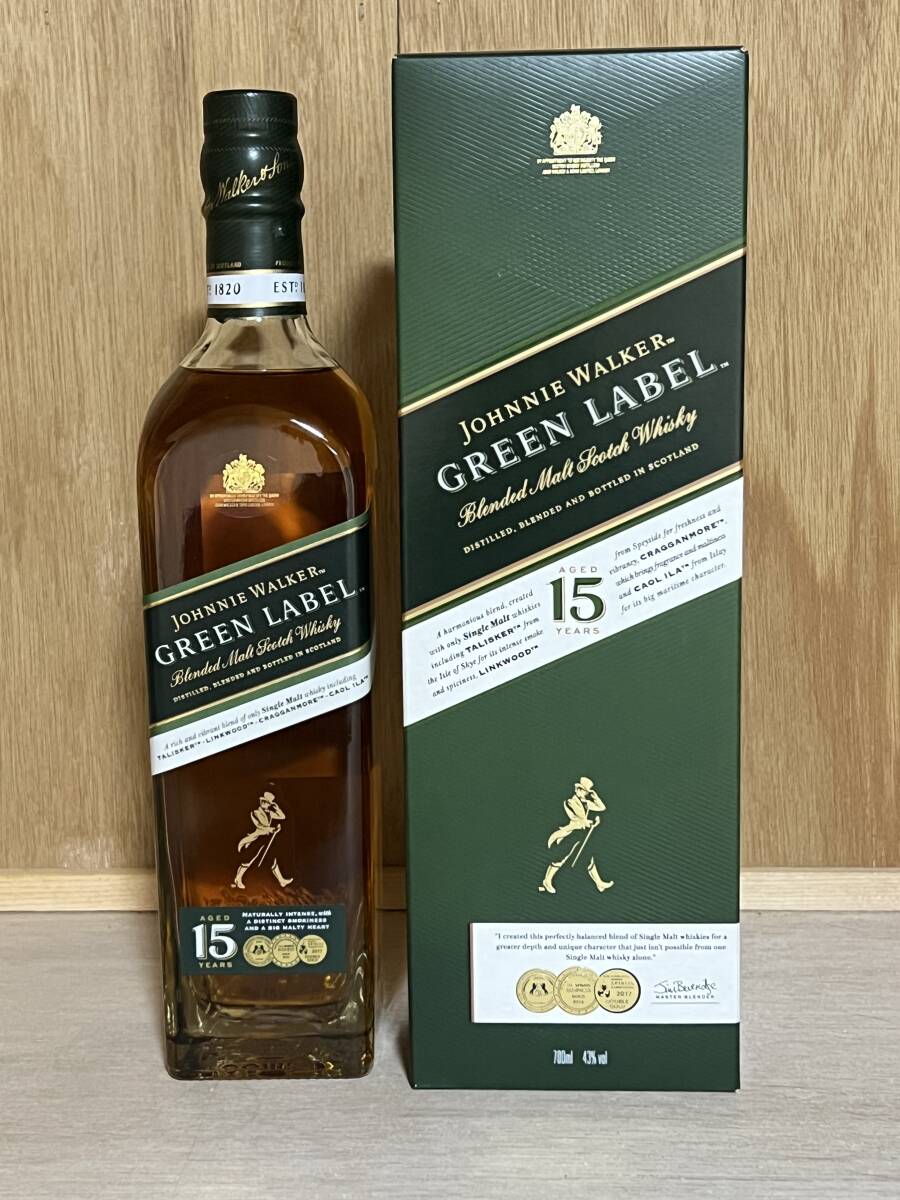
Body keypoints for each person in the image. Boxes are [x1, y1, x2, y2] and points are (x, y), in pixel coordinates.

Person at [539, 776, 614, 895]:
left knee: (589, 857)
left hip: (582, 834)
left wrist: (594, 795)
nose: (584, 794)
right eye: (583, 791)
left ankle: (599, 883)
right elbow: (581, 819)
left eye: (586, 792)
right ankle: (547, 881)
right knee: (561, 856)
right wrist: (591, 822)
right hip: (572, 833)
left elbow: (602, 807)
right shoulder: (571, 801)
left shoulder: (586, 803)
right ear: (578, 789)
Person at [231, 790, 293, 890]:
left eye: (267, 802)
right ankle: (238, 879)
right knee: (249, 859)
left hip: (266, 839)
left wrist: (277, 809)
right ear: (260, 801)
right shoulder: (256, 812)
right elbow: (261, 826)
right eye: (263, 801)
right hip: (257, 838)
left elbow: (282, 816)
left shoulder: (269, 813)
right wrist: (273, 829)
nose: (264, 803)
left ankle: (281, 881)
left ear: (269, 804)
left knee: (273, 859)